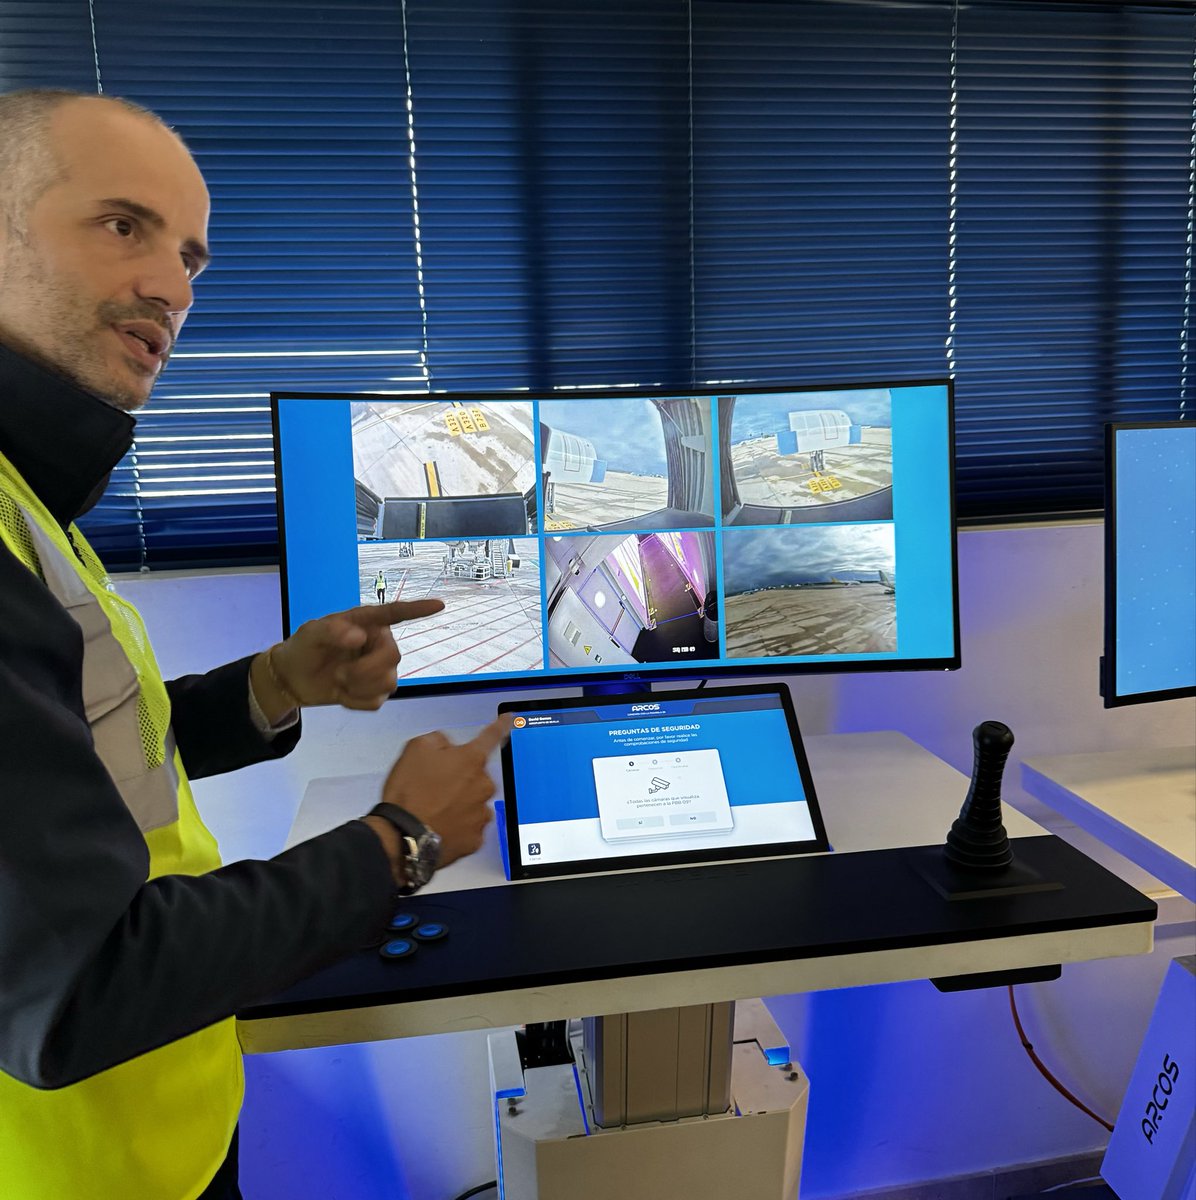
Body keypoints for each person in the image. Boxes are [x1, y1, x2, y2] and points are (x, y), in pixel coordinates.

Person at [0, 89, 509, 1200]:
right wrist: (401, 841)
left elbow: (81, 749)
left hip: (155, 1124)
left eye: (191, 258)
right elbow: (76, 984)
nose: (172, 288)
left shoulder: (27, 503)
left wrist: (276, 683)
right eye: (123, 226)